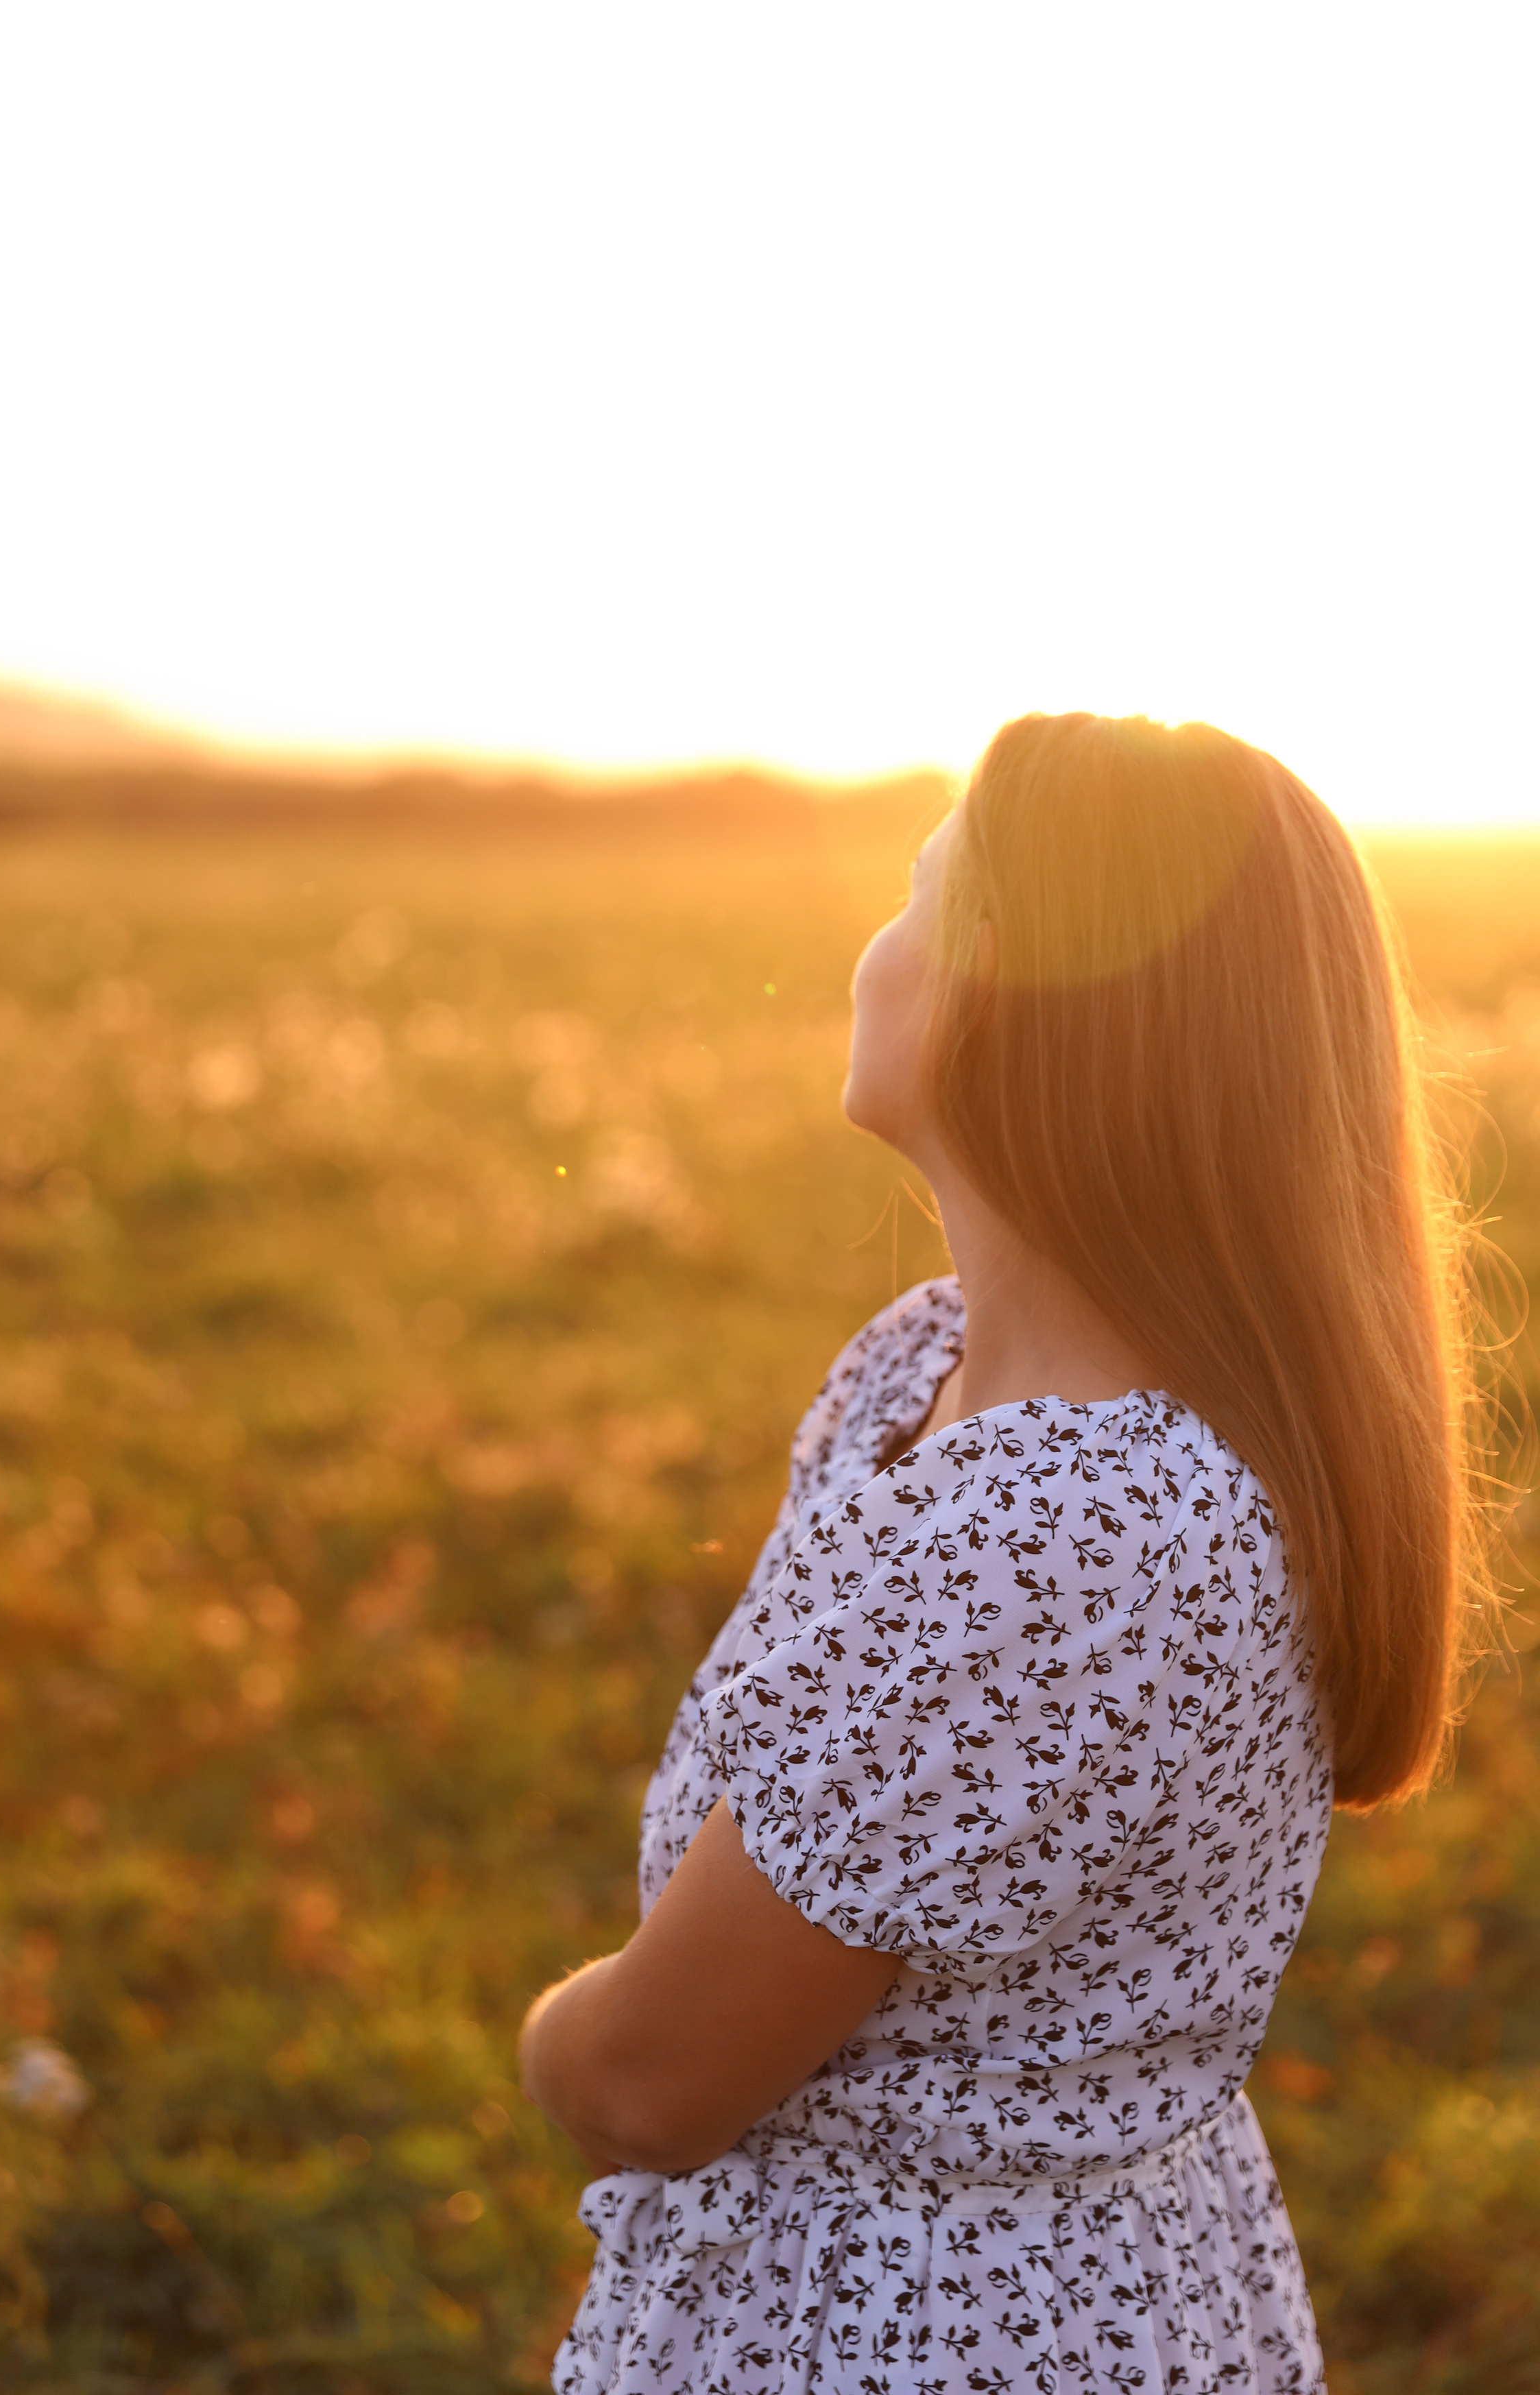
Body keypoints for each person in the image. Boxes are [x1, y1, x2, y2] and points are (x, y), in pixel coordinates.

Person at [520, 711, 1489, 2395]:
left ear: (1014, 1002)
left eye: (915, 900)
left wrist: (551, 2029)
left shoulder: (1054, 1532)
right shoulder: (922, 1367)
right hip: (1098, 2273)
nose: (866, 954)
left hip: (926, 2331)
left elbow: (649, 2087)